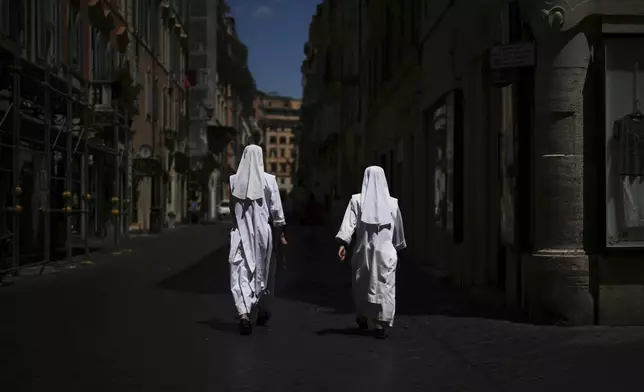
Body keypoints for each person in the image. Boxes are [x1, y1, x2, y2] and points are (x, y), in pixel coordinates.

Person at [335, 166, 406, 339]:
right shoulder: (392, 203)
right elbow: (398, 231)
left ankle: (364, 316)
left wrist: (343, 243)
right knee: (385, 286)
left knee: (362, 284)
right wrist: (397, 246)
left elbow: (348, 225)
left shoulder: (357, 201)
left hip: (363, 251)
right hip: (386, 253)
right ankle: (381, 323)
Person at [229, 145, 286, 335]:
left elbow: (232, 210)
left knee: (240, 270)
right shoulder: (269, 180)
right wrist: (282, 234)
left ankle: (244, 312)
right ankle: (263, 309)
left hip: (240, 233)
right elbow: (277, 211)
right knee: (265, 271)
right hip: (263, 234)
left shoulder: (234, 180)